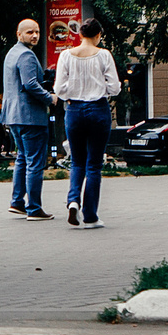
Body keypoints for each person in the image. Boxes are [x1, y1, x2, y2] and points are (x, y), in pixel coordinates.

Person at [53, 18, 121, 230]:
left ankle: (73, 200)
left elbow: (59, 89)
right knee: (94, 164)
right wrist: (100, 89)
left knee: (77, 161)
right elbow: (115, 87)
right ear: (98, 35)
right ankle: (90, 216)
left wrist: (71, 94)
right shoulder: (104, 55)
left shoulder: (66, 55)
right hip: (98, 109)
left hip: (74, 110)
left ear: (80, 34)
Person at [1, 17, 57, 220]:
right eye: (29, 32)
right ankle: (34, 208)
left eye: (37, 32)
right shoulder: (26, 55)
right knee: (35, 162)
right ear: (19, 34)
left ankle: (17, 202)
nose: (34, 36)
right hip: (30, 117)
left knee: (23, 159)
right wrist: (50, 98)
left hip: (13, 116)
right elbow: (30, 84)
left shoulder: (12, 53)